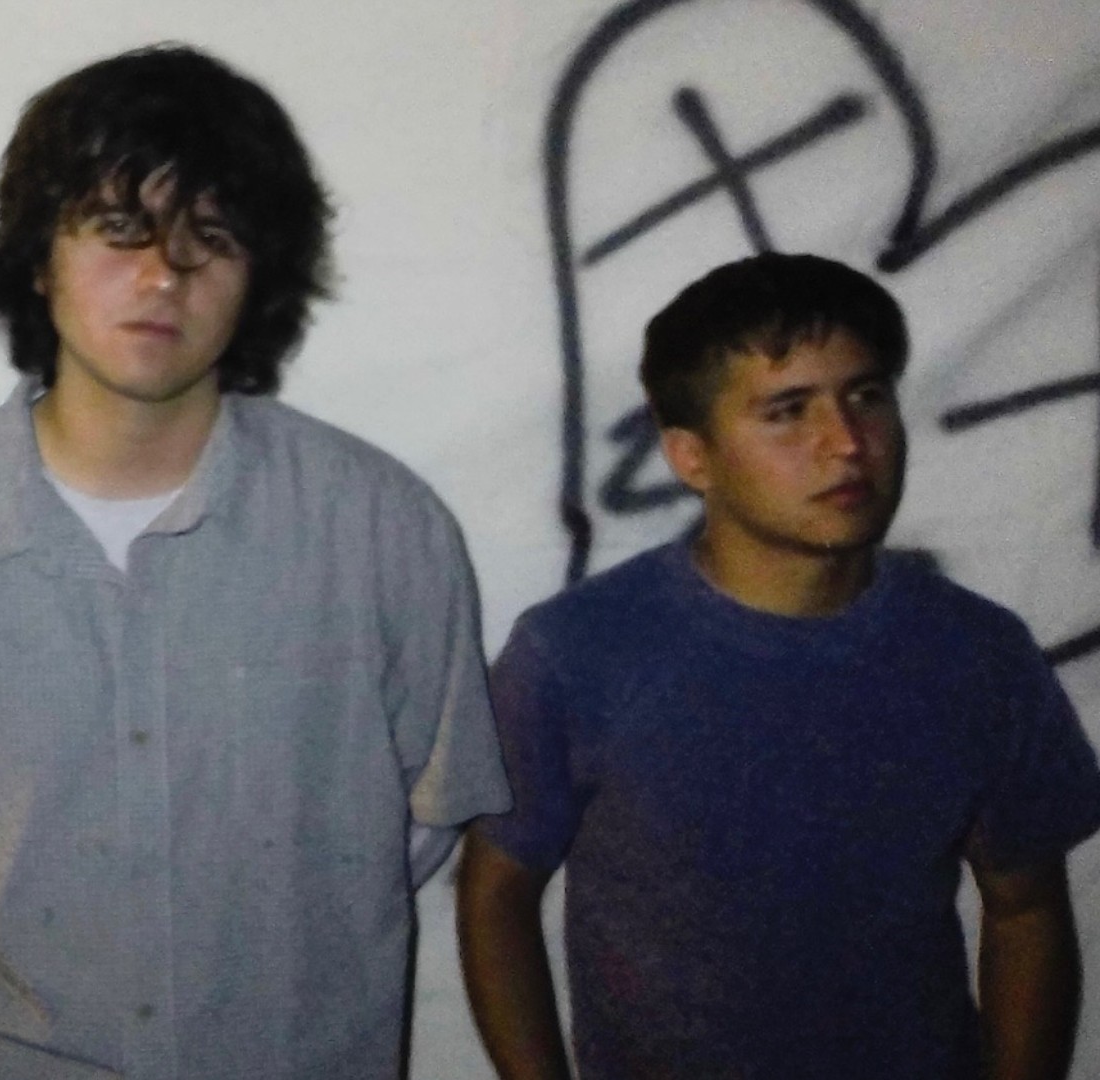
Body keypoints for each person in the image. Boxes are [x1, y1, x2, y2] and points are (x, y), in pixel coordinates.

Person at [0, 43, 510, 1079]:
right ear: (38, 259)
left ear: (258, 276)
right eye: (117, 230)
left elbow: (420, 824)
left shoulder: (383, 529)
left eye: (210, 240)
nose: (161, 276)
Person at [459, 251, 1100, 1079]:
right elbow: (496, 894)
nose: (846, 444)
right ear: (691, 456)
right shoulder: (577, 652)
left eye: (866, 397)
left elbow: (1027, 910)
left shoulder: (978, 652)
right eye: (788, 412)